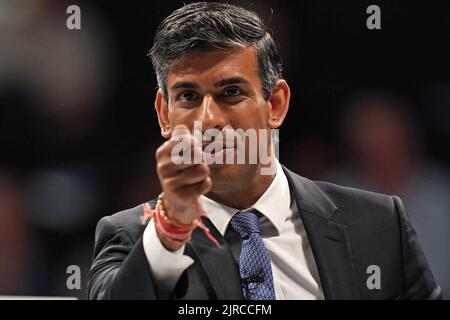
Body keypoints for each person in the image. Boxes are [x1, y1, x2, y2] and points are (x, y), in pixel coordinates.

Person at [87, 2, 441, 300]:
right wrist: (170, 230)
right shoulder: (131, 237)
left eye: (231, 93)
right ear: (164, 113)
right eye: (188, 96)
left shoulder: (379, 225)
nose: (209, 119)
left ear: (275, 104)